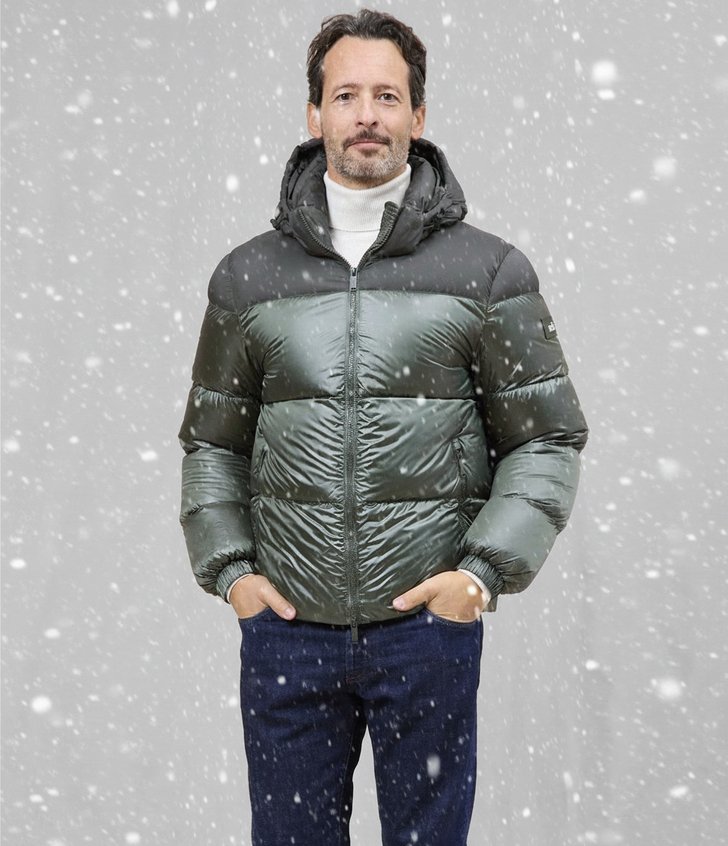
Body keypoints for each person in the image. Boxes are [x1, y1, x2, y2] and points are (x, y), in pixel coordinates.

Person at [178, 9, 588, 845]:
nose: (367, 115)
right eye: (346, 96)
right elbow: (213, 442)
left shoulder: (488, 272)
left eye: (387, 96)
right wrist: (233, 575)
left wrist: (477, 578)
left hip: (426, 636)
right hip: (289, 635)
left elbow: (546, 436)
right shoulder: (248, 277)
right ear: (314, 115)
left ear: (418, 116)